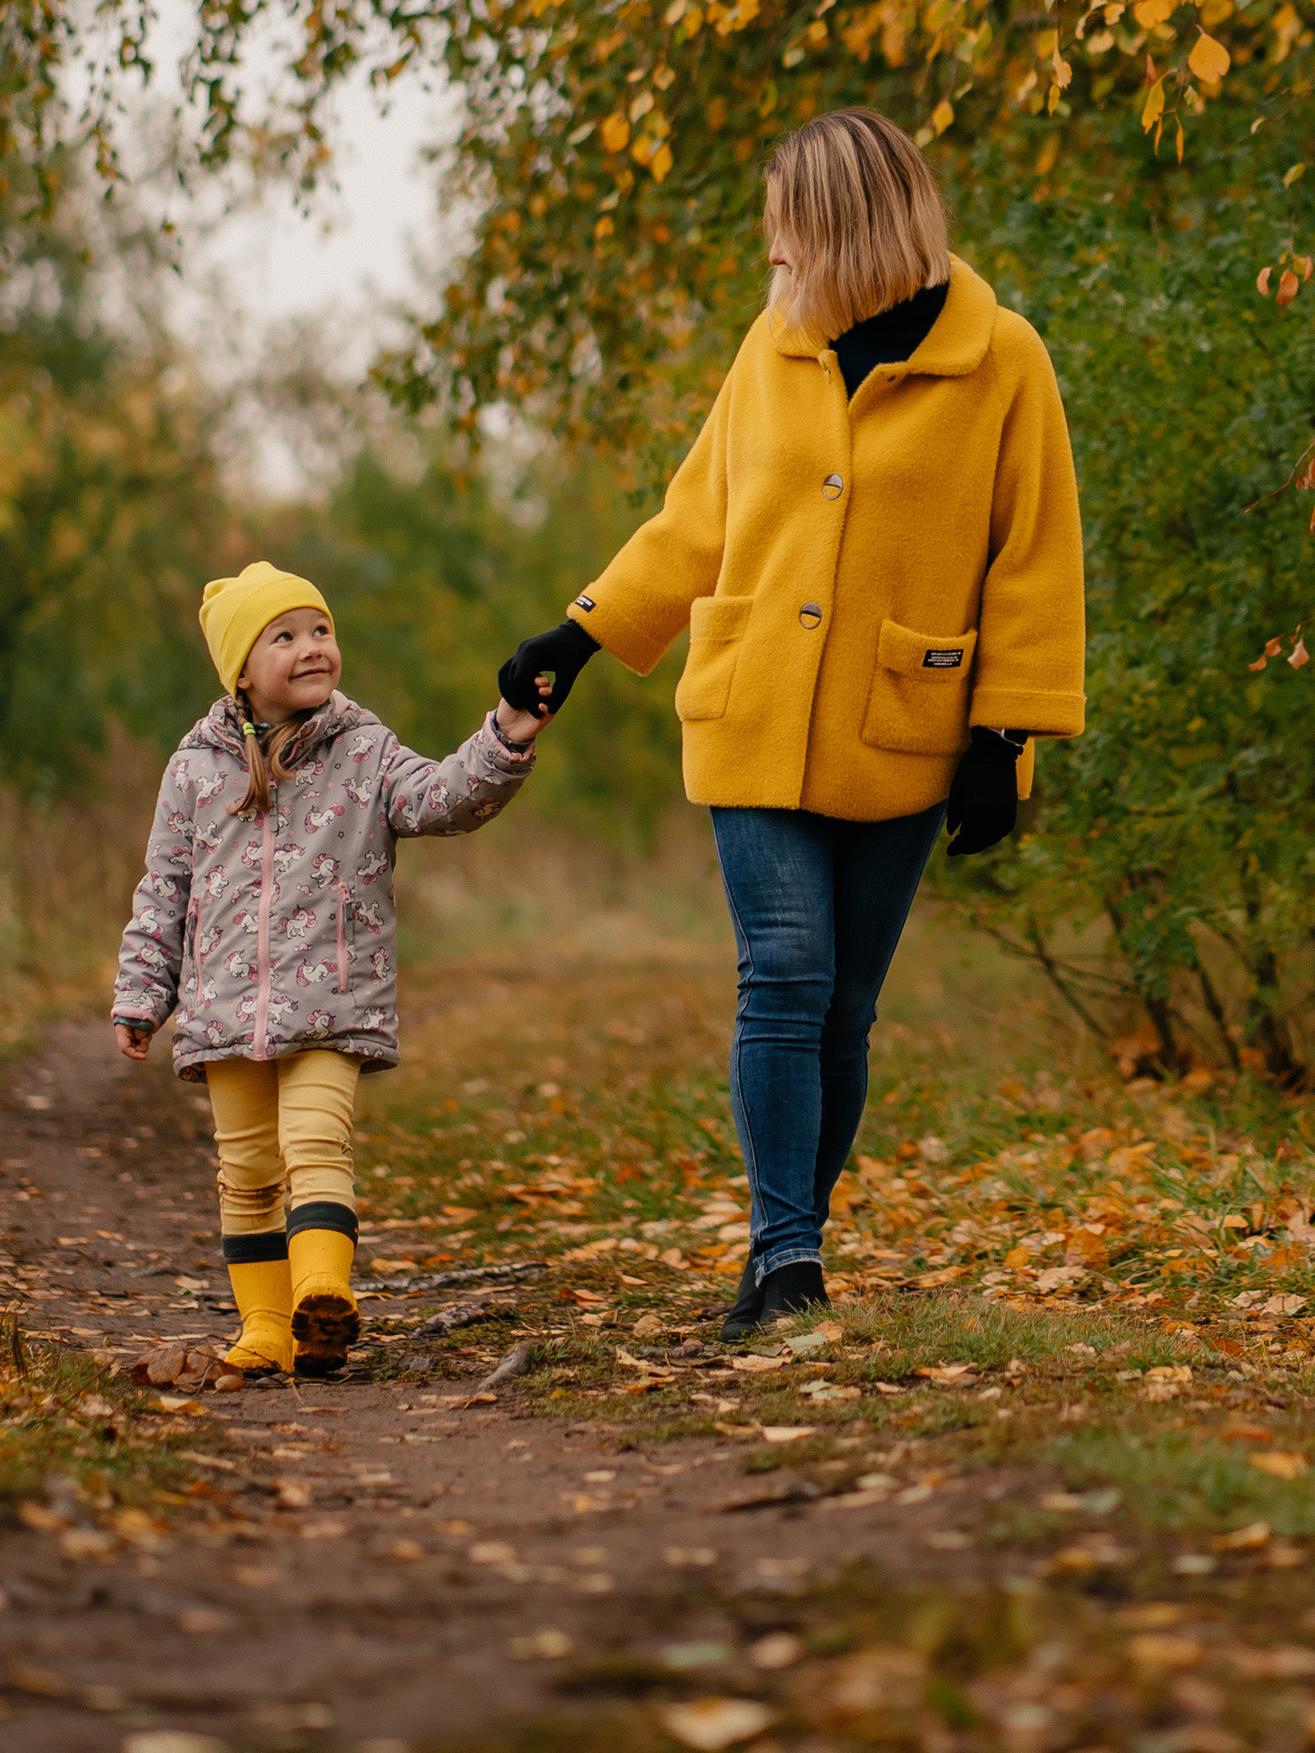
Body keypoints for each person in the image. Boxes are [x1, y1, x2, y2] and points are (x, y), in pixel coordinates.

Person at [500, 109, 1085, 1342]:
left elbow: (1032, 557)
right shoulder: (773, 344)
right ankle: (785, 1256)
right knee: (783, 974)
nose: (773, 262)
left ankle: (791, 1242)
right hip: (752, 712)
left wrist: (1006, 736)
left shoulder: (1004, 361)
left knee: (844, 1010)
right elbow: (695, 519)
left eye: (785, 237)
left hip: (905, 723)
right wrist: (580, 636)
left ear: (839, 230)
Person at [112, 563, 550, 1380]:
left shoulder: (364, 749)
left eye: (320, 631)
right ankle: (267, 1330)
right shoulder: (194, 768)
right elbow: (163, 889)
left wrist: (505, 733)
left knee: (316, 1142)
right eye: (284, 637)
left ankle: (323, 1293)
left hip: (329, 1002)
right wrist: (143, 993)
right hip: (223, 1012)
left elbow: (442, 799)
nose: (312, 648)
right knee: (244, 1172)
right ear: (242, 668)